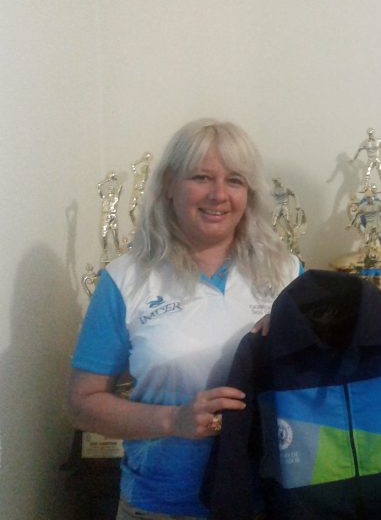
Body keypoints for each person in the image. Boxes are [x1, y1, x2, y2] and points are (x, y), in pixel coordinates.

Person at [68, 119, 302, 519]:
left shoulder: (288, 273)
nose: (218, 194)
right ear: (169, 185)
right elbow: (81, 404)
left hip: (269, 502)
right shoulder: (126, 279)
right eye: (201, 177)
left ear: (249, 194)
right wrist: (172, 419)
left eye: (235, 180)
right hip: (162, 505)